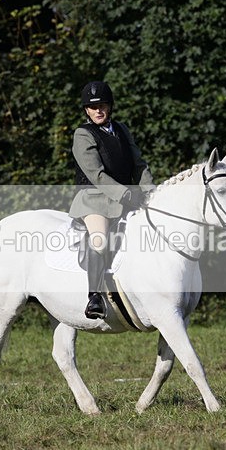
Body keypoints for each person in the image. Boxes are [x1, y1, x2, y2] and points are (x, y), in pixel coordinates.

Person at [68, 81, 155, 319]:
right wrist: (127, 194)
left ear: (110, 107)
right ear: (86, 110)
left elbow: (139, 164)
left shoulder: (122, 129)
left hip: (128, 199)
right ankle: (94, 297)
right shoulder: (83, 134)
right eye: (92, 107)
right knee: (99, 240)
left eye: (102, 105)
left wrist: (150, 191)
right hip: (94, 200)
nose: (98, 111)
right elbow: (96, 174)